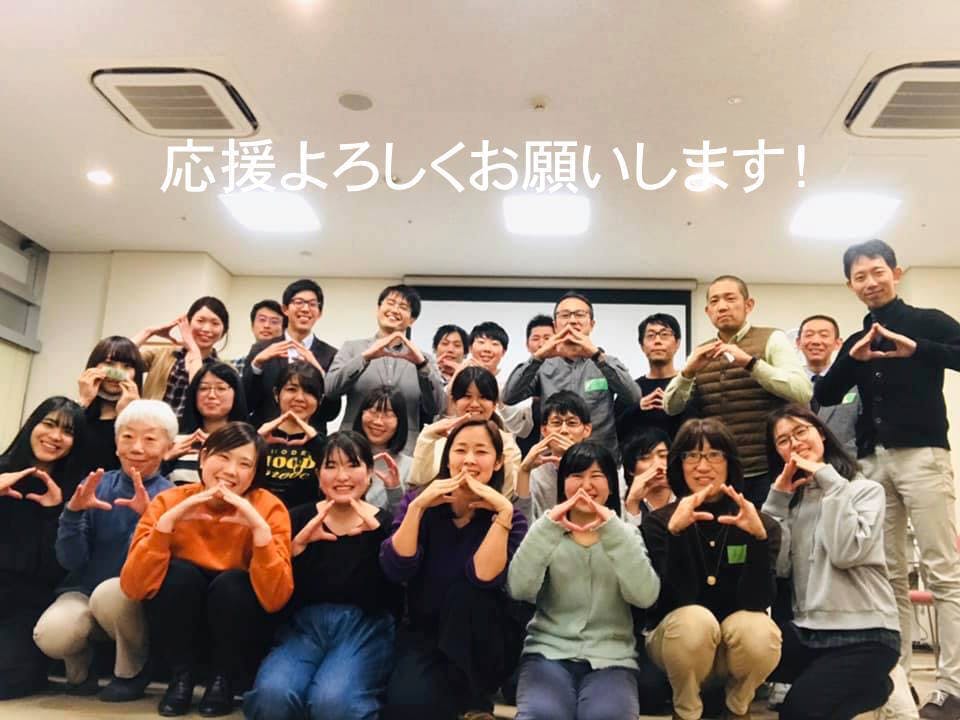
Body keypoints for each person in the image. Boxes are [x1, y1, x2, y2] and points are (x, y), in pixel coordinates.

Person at [815, 239, 960, 719]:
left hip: (923, 456)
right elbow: (826, 393)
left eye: (877, 271)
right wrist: (852, 359)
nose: (870, 282)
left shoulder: (928, 321)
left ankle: (952, 685)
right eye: (860, 276)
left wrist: (918, 350)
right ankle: (898, 680)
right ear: (850, 285)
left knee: (943, 571)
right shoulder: (858, 337)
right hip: (872, 463)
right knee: (890, 574)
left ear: (895, 272)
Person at [120, 422, 293, 717]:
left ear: (254, 474)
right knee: (178, 575)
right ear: (203, 458)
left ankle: (222, 681)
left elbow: (275, 598)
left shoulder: (269, 508)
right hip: (181, 621)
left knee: (233, 584)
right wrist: (166, 525)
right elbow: (134, 587)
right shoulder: (169, 501)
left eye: (244, 464)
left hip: (235, 625)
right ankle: (181, 678)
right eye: (223, 457)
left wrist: (259, 531)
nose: (231, 470)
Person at [244, 431, 402, 720]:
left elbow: (397, 592)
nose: (342, 476)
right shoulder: (297, 518)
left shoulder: (387, 524)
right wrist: (295, 549)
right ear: (318, 475)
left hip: (365, 627)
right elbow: (272, 585)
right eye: (331, 466)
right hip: (303, 627)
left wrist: (381, 541)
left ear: (369, 473)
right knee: (272, 696)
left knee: (333, 703)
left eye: (352, 465)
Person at [761, 404, 903, 720]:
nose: (795, 443)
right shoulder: (793, 503)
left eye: (801, 431)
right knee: (743, 658)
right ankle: (873, 688)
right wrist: (777, 502)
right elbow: (778, 567)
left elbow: (845, 552)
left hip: (866, 634)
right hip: (809, 632)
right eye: (783, 440)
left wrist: (828, 480)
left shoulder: (865, 491)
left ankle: (871, 684)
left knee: (796, 712)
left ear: (822, 434)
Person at [380, 419, 528, 720]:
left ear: (498, 462)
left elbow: (483, 577)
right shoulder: (419, 502)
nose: (469, 459)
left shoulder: (511, 516)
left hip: (482, 639)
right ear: (447, 458)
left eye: (481, 451)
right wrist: (418, 507)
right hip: (424, 632)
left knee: (466, 592)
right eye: (460, 450)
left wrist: (503, 513)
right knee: (405, 706)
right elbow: (397, 568)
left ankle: (473, 700)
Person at [34, 400, 176, 702]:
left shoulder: (173, 496)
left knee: (111, 592)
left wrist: (149, 520)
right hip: (83, 591)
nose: (136, 447)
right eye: (128, 437)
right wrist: (72, 514)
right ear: (116, 444)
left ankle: (131, 672)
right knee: (52, 633)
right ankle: (80, 673)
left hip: (136, 600)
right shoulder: (95, 485)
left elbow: (167, 568)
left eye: (150, 439)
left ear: (168, 448)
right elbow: (71, 560)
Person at [641, 418, 782, 720]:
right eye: (692, 455)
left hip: (732, 648)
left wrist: (758, 541)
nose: (702, 466)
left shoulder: (760, 523)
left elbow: (757, 601)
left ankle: (737, 706)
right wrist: (676, 534)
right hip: (677, 643)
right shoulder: (659, 523)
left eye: (714, 455)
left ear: (730, 462)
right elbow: (673, 599)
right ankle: (686, 710)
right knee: (694, 621)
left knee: (760, 631)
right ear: (679, 464)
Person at [508, 441, 660, 720]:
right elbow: (519, 588)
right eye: (576, 475)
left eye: (597, 476)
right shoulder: (546, 530)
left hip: (612, 659)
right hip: (547, 653)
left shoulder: (626, 534)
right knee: (542, 715)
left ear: (611, 485)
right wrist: (548, 526)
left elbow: (645, 595)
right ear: (563, 483)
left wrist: (613, 529)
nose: (586, 485)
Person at [663, 276, 812, 508]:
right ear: (708, 311)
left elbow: (802, 391)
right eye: (715, 301)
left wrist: (751, 364)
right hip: (719, 472)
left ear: (748, 305)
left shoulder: (772, 338)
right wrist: (688, 372)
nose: (722, 306)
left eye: (730, 298)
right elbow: (671, 407)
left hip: (769, 469)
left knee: (770, 529)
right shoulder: (701, 352)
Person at [0, 397, 86, 699]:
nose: (55, 436)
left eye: (67, 431)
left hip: (28, 601)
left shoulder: (75, 491)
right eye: (49, 424)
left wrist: (54, 513)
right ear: (31, 425)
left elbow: (59, 567)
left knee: (8, 678)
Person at [504, 291, 640, 456]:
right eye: (565, 315)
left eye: (580, 315)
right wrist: (538, 357)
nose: (572, 320)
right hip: (552, 461)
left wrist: (596, 356)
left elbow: (633, 397)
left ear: (591, 324)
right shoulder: (542, 365)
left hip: (599, 461)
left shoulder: (607, 362)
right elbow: (509, 396)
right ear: (555, 325)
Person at [324, 284, 445, 453]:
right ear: (378, 309)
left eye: (403, 307)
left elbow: (437, 407)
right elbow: (330, 390)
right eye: (390, 303)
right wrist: (364, 358)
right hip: (353, 448)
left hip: (404, 451)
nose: (394, 310)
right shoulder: (352, 348)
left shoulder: (423, 358)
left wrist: (422, 366)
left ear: (412, 320)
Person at [408, 366, 522, 499]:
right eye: (467, 396)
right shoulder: (437, 434)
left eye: (483, 397)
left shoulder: (507, 444)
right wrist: (427, 438)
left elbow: (506, 493)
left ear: (495, 404)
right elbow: (419, 482)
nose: (475, 404)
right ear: (453, 401)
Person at [243, 279, 341, 430]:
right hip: (264, 436)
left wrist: (321, 373)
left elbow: (331, 413)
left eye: (312, 304)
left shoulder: (331, 354)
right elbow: (246, 404)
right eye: (299, 302)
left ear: (319, 313)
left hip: (309, 438)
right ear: (285, 309)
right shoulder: (261, 349)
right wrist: (256, 366)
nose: (305, 309)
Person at [134, 296, 230, 419]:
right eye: (200, 321)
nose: (206, 329)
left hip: (192, 430)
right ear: (187, 323)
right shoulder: (162, 354)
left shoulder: (224, 370)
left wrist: (192, 347)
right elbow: (118, 357)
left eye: (215, 323)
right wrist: (148, 332)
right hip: (152, 425)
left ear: (223, 331)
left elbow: (198, 388)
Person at [515, 390, 597, 522]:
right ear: (544, 430)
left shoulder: (602, 469)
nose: (563, 430)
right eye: (556, 423)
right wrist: (524, 471)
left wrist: (574, 462)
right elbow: (523, 524)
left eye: (572, 423)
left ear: (586, 430)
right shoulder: (534, 474)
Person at [165, 362, 249, 485]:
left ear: (236, 394)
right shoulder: (176, 440)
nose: (211, 395)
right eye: (203, 388)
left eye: (221, 388)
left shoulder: (246, 442)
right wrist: (165, 460)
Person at [616, 313, 694, 446]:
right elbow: (617, 431)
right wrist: (638, 407)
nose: (657, 341)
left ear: (677, 343)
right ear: (642, 346)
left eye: (664, 335)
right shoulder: (631, 389)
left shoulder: (689, 384)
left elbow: (698, 428)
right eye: (651, 336)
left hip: (682, 457)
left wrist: (673, 405)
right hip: (642, 458)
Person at [257, 362, 326, 509]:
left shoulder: (326, 446)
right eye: (291, 389)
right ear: (276, 394)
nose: (300, 398)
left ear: (320, 399)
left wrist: (318, 444)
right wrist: (254, 442)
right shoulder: (257, 436)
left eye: (309, 391)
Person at [76, 336, 145, 474]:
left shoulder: (147, 418)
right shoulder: (76, 411)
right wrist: (83, 401)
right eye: (109, 364)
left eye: (127, 366)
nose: (117, 373)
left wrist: (128, 416)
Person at [796, 314, 861, 456]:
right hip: (801, 461)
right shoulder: (790, 383)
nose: (816, 341)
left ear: (838, 343)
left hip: (848, 460)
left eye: (824, 335)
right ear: (798, 342)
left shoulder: (852, 380)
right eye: (809, 335)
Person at [468, 321, 534, 439]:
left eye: (494, 344)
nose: (487, 349)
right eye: (481, 342)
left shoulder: (512, 383)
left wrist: (494, 387)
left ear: (503, 352)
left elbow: (522, 430)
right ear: (470, 348)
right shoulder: (459, 379)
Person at [351, 387, 413, 513]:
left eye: (388, 415)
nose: (378, 422)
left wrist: (394, 489)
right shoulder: (343, 456)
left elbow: (404, 518)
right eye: (373, 412)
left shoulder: (410, 467)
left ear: (400, 422)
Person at [516, 314, 555, 457]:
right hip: (527, 445)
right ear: (527, 344)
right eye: (536, 338)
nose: (541, 344)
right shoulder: (521, 374)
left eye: (547, 338)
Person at [622, 427, 676, 524]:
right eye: (645, 458)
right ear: (631, 470)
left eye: (663, 456)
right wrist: (633, 502)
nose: (657, 465)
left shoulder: (686, 494)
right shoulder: (620, 504)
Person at [233, 300, 285, 377]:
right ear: (252, 326)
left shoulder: (291, 364)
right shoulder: (237, 365)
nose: (266, 325)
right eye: (262, 320)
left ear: (283, 329)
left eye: (274, 322)